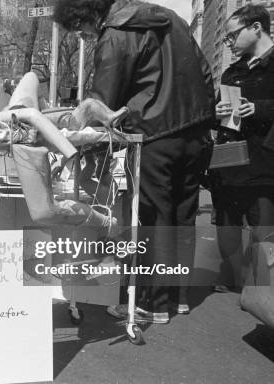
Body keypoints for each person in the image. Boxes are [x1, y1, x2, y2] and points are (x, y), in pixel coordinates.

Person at [53, 0, 216, 324]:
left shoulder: (116, 34)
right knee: (183, 214)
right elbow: (206, 72)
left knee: (150, 218)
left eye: (81, 29)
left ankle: (150, 303)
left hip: (154, 134)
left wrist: (81, 119)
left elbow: (104, 103)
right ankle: (177, 297)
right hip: (196, 131)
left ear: (87, 15)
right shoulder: (171, 19)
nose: (83, 36)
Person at [212, 4, 274, 293]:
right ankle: (237, 279)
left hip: (264, 167)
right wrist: (218, 110)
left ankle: (261, 289)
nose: (229, 42)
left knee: (264, 232)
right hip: (229, 164)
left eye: (232, 35)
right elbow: (222, 118)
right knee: (227, 230)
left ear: (257, 27)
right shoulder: (231, 72)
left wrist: (259, 108)